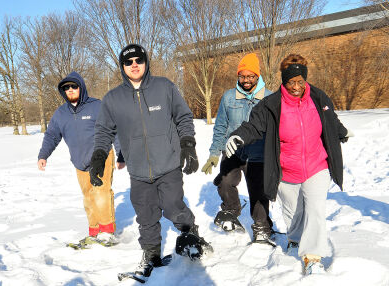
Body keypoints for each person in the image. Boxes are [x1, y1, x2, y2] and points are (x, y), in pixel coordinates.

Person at [89, 44, 211, 278]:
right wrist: (98, 157)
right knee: (145, 215)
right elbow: (104, 131)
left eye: (138, 60)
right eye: (128, 62)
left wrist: (188, 145)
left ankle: (191, 236)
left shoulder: (164, 87)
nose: (134, 65)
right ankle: (151, 253)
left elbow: (184, 116)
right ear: (122, 67)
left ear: (145, 62)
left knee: (174, 206)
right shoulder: (113, 98)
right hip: (138, 170)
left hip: (168, 163)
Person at [225, 54, 352, 275]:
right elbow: (253, 126)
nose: (295, 87)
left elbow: (331, 119)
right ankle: (294, 238)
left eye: (300, 82)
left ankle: (312, 257)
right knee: (293, 212)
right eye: (290, 82)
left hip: (316, 165)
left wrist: (341, 132)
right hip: (286, 168)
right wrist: (238, 136)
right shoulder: (271, 105)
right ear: (283, 81)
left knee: (315, 210)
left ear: (305, 80)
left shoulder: (318, 97)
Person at [37, 71, 123, 247]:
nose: (70, 90)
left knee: (101, 191)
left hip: (102, 156)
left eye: (73, 86)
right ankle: (94, 231)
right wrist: (43, 155)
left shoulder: (97, 106)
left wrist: (121, 154)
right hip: (79, 161)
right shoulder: (61, 113)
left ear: (81, 87)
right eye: (66, 88)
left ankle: (107, 232)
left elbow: (113, 129)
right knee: (88, 196)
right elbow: (52, 135)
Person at [201, 53, 275, 245]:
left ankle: (262, 227)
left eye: (250, 76)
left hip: (258, 152)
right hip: (232, 150)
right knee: (225, 182)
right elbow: (220, 127)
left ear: (258, 76)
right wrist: (214, 153)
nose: (246, 80)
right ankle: (231, 211)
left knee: (257, 190)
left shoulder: (269, 98)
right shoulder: (228, 97)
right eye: (242, 76)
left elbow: (276, 129)